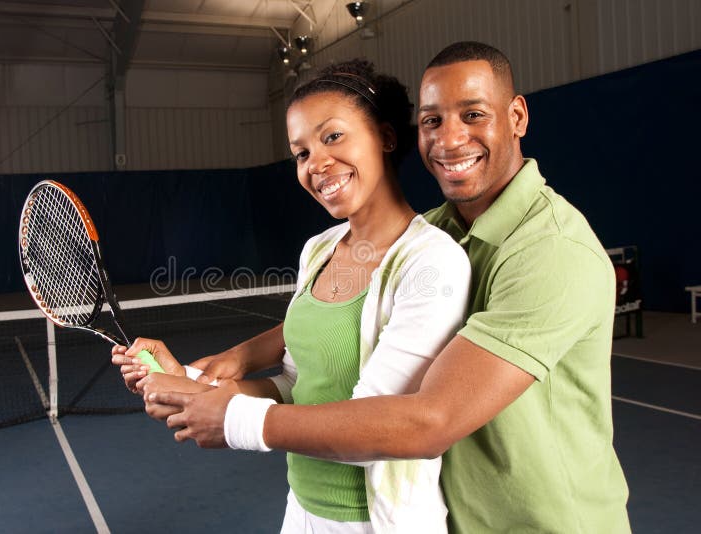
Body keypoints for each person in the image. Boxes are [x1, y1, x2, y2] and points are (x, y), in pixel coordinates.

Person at [144, 42, 632, 533]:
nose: (450, 139)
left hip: (549, 523)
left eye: (473, 114)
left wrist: (234, 418)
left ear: (517, 116)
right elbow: (340, 321)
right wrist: (220, 368)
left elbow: (429, 421)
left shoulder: (551, 252)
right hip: (465, 516)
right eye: (432, 121)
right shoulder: (441, 229)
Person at [112, 59, 471, 532]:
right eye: (300, 152)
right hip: (303, 512)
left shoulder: (431, 261)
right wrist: (188, 383)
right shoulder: (317, 251)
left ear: (385, 137)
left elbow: (376, 426)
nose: (316, 163)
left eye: (333, 137)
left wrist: (231, 417)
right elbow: (295, 386)